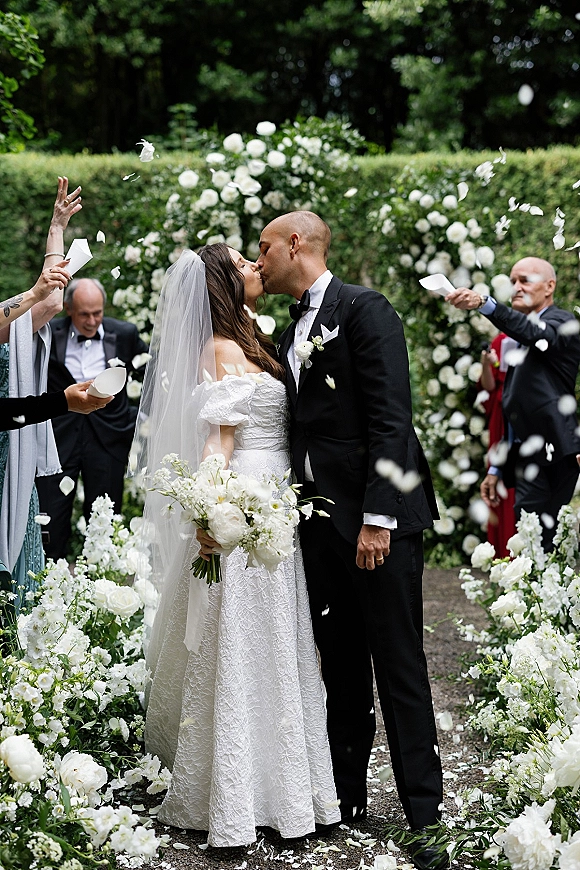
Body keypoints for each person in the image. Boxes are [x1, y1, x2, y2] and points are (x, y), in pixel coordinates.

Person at [256, 212, 446, 870]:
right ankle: (346, 797)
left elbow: (392, 415)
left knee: (398, 668)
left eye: (265, 248)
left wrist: (377, 517)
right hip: (317, 525)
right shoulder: (289, 329)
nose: (261, 261)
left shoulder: (365, 309)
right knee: (339, 667)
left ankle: (426, 816)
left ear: (296, 245)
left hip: (375, 526)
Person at [135, 244, 340, 847]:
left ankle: (288, 792)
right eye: (244, 264)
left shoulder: (254, 338)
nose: (256, 267)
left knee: (280, 642)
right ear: (225, 282)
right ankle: (234, 796)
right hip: (248, 510)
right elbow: (217, 445)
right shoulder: (221, 348)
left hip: (278, 500)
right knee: (243, 644)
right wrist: (212, 510)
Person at [447, 256, 580, 551]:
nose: (516, 287)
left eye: (525, 280)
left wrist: (485, 302)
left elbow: (537, 334)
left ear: (549, 286)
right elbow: (514, 405)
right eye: (513, 282)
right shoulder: (516, 339)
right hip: (523, 455)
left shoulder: (562, 322)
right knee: (529, 540)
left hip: (553, 452)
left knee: (545, 543)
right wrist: (495, 469)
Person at [0, 177, 81, 610]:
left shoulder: (9, 323)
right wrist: (32, 292)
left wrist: (56, 229)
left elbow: (48, 301)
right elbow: (36, 297)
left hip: (10, 451)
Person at [36, 277, 148, 560]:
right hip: (59, 436)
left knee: (105, 515)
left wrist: (135, 416)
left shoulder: (124, 333)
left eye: (97, 313)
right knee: (51, 513)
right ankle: (50, 577)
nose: (91, 320)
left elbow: (153, 375)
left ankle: (102, 585)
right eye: (84, 314)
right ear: (68, 309)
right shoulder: (48, 332)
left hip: (108, 437)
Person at [479, 335, 516, 557]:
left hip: (528, 413)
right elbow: (488, 387)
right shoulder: (500, 340)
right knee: (501, 482)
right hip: (501, 419)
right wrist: (486, 364)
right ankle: (504, 550)